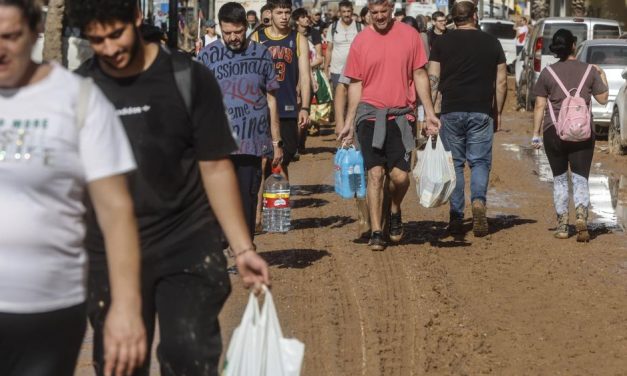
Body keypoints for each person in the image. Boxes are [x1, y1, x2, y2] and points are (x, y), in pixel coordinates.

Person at [67, 1, 271, 375]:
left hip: (186, 242)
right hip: (109, 251)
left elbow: (214, 166)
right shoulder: (79, 90)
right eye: (97, 41)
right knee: (119, 364)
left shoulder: (189, 78)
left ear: (137, 18)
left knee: (186, 355)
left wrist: (242, 248)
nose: (110, 49)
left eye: (116, 34)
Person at [0, 1, 146, 376]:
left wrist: (126, 308)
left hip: (47, 312)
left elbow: (116, 212)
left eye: (10, 36)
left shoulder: (78, 99)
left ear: (34, 32)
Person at [338, 0, 439, 251]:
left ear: (392, 9)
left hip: (402, 117)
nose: (380, 17)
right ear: (369, 12)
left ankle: (394, 208)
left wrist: (429, 111)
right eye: (374, 13)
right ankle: (376, 231)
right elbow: (355, 84)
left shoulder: (410, 35)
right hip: (369, 115)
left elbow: (419, 74)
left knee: (400, 177)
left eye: (384, 12)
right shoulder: (361, 41)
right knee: (375, 174)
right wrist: (349, 121)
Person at [199, 2, 282, 239]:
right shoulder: (206, 56)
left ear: (246, 26)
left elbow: (271, 100)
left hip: (252, 142)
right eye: (227, 33)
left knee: (247, 197)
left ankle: (246, 246)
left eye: (238, 31)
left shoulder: (262, 53)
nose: (233, 37)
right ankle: (223, 240)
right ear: (220, 28)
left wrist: (276, 142)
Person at [427, 1, 508, 237]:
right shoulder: (492, 42)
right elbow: (501, 82)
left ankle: (456, 215)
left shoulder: (441, 42)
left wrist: (430, 113)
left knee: (455, 164)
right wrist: (498, 112)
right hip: (481, 111)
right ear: (474, 16)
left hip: (451, 111)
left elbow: (433, 78)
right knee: (480, 162)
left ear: (454, 18)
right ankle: (479, 203)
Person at [531, 29, 608, 242]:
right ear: (574, 45)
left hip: (553, 132)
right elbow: (603, 98)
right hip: (583, 133)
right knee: (581, 176)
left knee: (560, 179)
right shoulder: (589, 71)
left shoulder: (547, 73)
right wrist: (601, 75)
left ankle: (563, 225)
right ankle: (582, 216)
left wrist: (535, 135)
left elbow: (539, 106)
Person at [251, 0, 311, 179]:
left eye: (287, 12)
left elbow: (305, 75)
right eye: (279, 12)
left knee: (287, 154)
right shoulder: (257, 38)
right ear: (269, 13)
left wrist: (306, 108)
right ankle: (266, 203)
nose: (284, 17)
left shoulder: (298, 38)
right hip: (262, 106)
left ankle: (278, 199)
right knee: (264, 159)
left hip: (288, 106)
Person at [324, 0, 361, 93]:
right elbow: (329, 50)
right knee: (339, 100)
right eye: (344, 12)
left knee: (353, 101)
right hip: (337, 71)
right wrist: (326, 69)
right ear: (339, 13)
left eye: (348, 11)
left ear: (352, 11)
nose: (346, 14)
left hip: (355, 71)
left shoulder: (360, 27)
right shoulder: (333, 27)